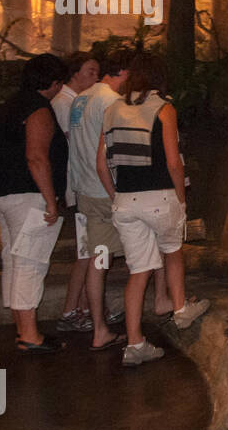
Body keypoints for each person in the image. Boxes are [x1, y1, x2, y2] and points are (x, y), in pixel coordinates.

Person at [98, 52, 209, 366]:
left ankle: (134, 345)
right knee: (173, 252)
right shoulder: (164, 109)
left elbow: (101, 165)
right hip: (160, 196)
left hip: (125, 201)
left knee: (138, 272)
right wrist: (181, 198)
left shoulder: (112, 109)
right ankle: (181, 309)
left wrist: (116, 195)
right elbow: (174, 162)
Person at [68, 44, 173, 350]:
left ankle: (99, 327)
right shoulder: (113, 102)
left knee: (97, 260)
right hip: (110, 190)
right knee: (150, 248)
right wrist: (117, 193)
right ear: (125, 72)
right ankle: (162, 300)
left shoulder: (80, 98)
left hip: (85, 190)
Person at [0, 53, 70, 354]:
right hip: (26, 196)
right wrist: (51, 202)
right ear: (55, 82)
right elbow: (36, 157)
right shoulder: (37, 109)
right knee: (30, 263)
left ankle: (22, 328)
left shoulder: (11, 104)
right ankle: (31, 336)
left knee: (14, 258)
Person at [52, 51, 100, 334]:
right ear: (75, 73)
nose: (95, 77)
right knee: (86, 252)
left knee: (88, 250)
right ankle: (72, 310)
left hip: (81, 185)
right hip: (79, 186)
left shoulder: (75, 102)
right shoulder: (64, 103)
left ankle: (85, 308)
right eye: (91, 71)